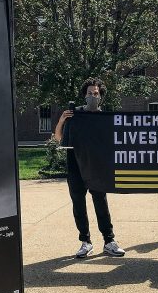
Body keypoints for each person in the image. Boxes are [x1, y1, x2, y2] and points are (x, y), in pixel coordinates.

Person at [54, 78, 125, 259]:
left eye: (95, 93)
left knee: (100, 203)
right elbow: (58, 138)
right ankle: (85, 242)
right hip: (75, 166)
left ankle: (109, 241)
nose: (92, 96)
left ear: (101, 96)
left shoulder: (104, 118)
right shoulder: (74, 114)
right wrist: (62, 120)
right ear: (84, 95)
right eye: (89, 93)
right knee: (79, 205)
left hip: (96, 168)